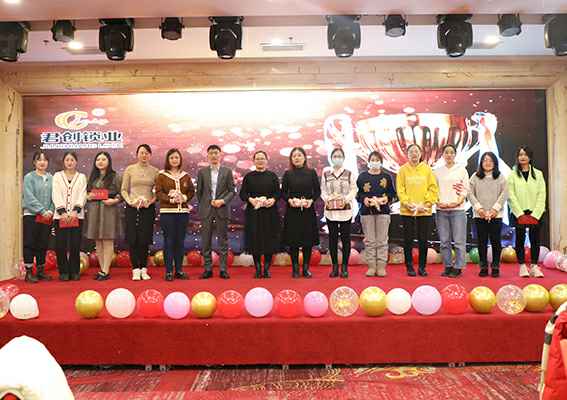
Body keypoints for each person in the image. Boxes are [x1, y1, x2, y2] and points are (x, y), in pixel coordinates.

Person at [396, 144, 439, 277]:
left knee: (423, 239)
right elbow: (400, 189)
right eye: (411, 151)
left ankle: (422, 267)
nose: (414, 154)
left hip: (424, 210)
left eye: (416, 151)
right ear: (407, 154)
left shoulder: (427, 169)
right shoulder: (402, 170)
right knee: (408, 239)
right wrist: (408, 203)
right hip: (407, 210)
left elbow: (433, 188)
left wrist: (426, 203)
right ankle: (409, 266)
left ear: (420, 154)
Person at [239, 151, 281, 278]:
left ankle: (266, 268)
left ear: (267, 160)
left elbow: (278, 193)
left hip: (270, 213)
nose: (260, 161)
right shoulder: (249, 176)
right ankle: (257, 268)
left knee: (269, 239)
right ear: (254, 161)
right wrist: (251, 200)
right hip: (254, 213)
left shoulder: (272, 176)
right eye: (257, 158)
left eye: (262, 158)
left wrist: (273, 200)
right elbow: (243, 194)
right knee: (254, 240)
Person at [196, 144, 235, 279]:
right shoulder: (202, 172)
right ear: (207, 156)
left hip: (222, 209)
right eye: (211, 153)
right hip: (206, 210)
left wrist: (222, 201)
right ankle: (208, 269)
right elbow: (199, 192)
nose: (214, 155)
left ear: (220, 155)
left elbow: (232, 191)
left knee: (223, 240)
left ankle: (223, 269)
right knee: (206, 241)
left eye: (216, 153)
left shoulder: (227, 171)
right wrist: (206, 204)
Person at [155, 148, 195, 281]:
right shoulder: (161, 175)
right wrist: (170, 199)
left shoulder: (186, 176)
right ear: (168, 160)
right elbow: (159, 193)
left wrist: (184, 198)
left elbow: (191, 191)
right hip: (167, 213)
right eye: (172, 157)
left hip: (182, 213)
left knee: (180, 241)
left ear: (180, 159)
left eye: (176, 157)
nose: (174, 160)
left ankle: (179, 270)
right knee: (169, 240)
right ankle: (168, 271)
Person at [121, 144, 158, 281]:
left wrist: (150, 201)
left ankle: (144, 269)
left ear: (150, 155)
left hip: (147, 208)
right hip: (132, 208)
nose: (144, 155)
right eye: (142, 152)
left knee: (144, 239)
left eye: (147, 153)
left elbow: (157, 192)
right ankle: (135, 269)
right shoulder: (130, 169)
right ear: (137, 154)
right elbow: (124, 190)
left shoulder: (155, 171)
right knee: (133, 239)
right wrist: (130, 201)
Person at [282, 147, 321, 278]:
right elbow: (283, 193)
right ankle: (295, 268)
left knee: (307, 241)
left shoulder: (311, 173)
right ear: (291, 159)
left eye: (299, 155)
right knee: (293, 241)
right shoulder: (288, 174)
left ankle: (305, 268)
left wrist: (311, 200)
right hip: (292, 211)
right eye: (294, 156)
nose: (297, 158)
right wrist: (290, 200)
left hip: (307, 211)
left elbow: (317, 191)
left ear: (304, 157)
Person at [508, 146, 546, 278]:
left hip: (535, 212)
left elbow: (542, 194)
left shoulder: (538, 174)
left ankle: (534, 266)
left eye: (525, 154)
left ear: (530, 157)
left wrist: (536, 214)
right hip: (519, 213)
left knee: (535, 240)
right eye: (520, 155)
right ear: (517, 157)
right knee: (519, 239)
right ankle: (522, 266)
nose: (522, 157)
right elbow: (510, 195)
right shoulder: (512, 174)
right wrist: (519, 214)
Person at [356, 151, 396, 277]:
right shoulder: (362, 176)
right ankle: (371, 266)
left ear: (381, 162)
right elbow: (357, 194)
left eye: (377, 160)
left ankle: (381, 266)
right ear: (368, 162)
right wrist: (364, 199)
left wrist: (385, 199)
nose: (375, 162)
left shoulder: (387, 177)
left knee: (382, 241)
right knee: (370, 241)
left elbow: (392, 194)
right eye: (372, 160)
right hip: (366, 213)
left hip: (383, 212)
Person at [468, 152, 508, 277]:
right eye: (485, 160)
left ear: (495, 162)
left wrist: (495, 209)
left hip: (496, 215)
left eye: (490, 160)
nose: (487, 162)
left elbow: (505, 193)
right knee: (482, 241)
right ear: (481, 163)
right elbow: (469, 193)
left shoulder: (500, 177)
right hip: (480, 215)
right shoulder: (475, 177)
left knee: (496, 241)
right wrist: (479, 209)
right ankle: (483, 266)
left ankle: (495, 266)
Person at [84, 152, 122, 281]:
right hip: (94, 211)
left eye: (103, 159)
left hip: (109, 211)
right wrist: (88, 196)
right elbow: (87, 193)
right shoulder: (92, 177)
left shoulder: (115, 176)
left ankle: (106, 270)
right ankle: (102, 269)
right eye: (98, 159)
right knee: (98, 241)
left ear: (109, 161)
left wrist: (114, 200)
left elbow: (121, 194)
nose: (100, 162)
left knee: (107, 240)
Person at [434, 144, 470, 278]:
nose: (449, 155)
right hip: (441, 209)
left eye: (451, 152)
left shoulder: (461, 170)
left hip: (458, 210)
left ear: (455, 154)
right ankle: (448, 265)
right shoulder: (437, 171)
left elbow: (465, 189)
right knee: (444, 241)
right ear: (442, 155)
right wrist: (437, 202)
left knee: (459, 241)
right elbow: (433, 190)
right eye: (446, 152)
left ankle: (458, 267)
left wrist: (458, 201)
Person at [320, 148, 357, 278]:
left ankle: (344, 267)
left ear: (343, 158)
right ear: (331, 158)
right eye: (335, 156)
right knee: (333, 239)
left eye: (339, 156)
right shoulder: (326, 174)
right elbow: (323, 190)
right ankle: (335, 267)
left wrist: (345, 199)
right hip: (331, 212)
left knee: (346, 239)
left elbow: (354, 189)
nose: (337, 158)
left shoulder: (349, 173)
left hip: (345, 211)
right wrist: (328, 199)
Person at [52, 152, 87, 281]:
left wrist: (75, 211)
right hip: (60, 216)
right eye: (67, 160)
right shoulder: (57, 176)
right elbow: (55, 193)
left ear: (76, 162)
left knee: (75, 244)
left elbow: (83, 194)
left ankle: (74, 271)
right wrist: (62, 212)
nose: (70, 162)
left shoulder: (81, 177)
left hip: (76, 216)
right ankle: (63, 271)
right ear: (64, 162)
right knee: (60, 245)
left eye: (72, 160)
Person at [22, 151, 54, 283]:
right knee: (30, 243)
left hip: (47, 216)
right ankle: (29, 272)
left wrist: (50, 210)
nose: (42, 162)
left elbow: (55, 196)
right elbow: (29, 197)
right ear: (34, 162)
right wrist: (42, 211)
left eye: (45, 160)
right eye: (39, 160)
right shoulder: (29, 177)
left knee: (43, 243)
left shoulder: (51, 178)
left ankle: (40, 271)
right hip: (31, 215)